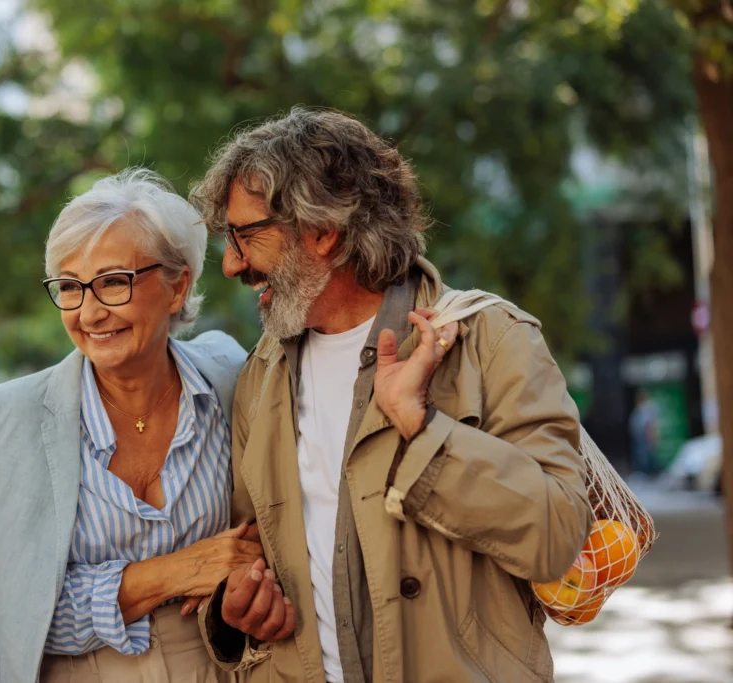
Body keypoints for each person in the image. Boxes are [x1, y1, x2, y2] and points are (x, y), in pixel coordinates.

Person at [189, 108, 594, 682]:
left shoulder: (494, 338)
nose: (231, 263)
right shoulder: (261, 373)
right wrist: (236, 610)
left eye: (246, 234)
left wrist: (422, 428)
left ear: (323, 232)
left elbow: (555, 538)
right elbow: (249, 554)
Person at [0, 169, 259, 683]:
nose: (89, 312)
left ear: (178, 286)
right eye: (69, 287)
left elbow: (278, 516)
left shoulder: (232, 377)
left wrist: (247, 562)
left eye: (113, 282)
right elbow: (9, 614)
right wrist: (174, 571)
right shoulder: (7, 418)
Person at [629, 389, 661, 476]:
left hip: (645, 436)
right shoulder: (639, 410)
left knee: (646, 455)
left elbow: (649, 426)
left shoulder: (647, 410)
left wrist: (652, 437)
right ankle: (646, 472)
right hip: (640, 436)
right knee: (643, 455)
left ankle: (649, 472)